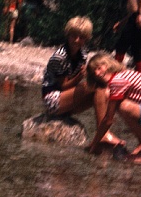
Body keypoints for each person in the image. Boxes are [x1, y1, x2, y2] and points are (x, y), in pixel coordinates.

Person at [42, 17, 126, 147]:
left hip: (66, 99)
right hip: (53, 99)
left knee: (103, 91)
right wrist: (79, 77)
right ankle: (103, 133)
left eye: (81, 37)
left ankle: (103, 132)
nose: (77, 40)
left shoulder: (83, 53)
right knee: (97, 86)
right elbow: (62, 86)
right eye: (73, 36)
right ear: (68, 34)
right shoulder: (59, 57)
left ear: (86, 38)